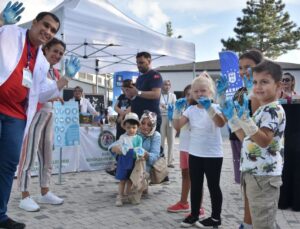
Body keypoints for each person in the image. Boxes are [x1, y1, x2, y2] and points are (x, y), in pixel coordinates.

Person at [0, 2, 80, 228]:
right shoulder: (10, 33)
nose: (48, 32)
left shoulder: (42, 61)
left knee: (7, 165)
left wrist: (65, 78)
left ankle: (0, 215)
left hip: (16, 116)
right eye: (45, 25)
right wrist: (1, 21)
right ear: (34, 23)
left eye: (53, 30)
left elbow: (42, 93)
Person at [223, 60, 285, 229]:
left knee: (263, 223)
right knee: (258, 219)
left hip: (264, 178)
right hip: (251, 173)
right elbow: (248, 140)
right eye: (255, 82)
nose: (258, 87)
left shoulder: (274, 110)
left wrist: (245, 119)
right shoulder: (261, 110)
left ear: (278, 85)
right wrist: (234, 121)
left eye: (264, 82)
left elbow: (264, 141)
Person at [17, 38, 66, 212]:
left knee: (47, 155)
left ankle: (45, 191)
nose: (57, 55)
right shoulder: (36, 67)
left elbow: (56, 92)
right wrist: (52, 96)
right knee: (29, 155)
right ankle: (24, 194)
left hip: (49, 114)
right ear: (45, 49)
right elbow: (31, 92)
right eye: (55, 51)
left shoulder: (56, 73)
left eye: (61, 53)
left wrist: (55, 95)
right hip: (36, 113)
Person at [217, 49, 263, 229]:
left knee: (258, 194)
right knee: (246, 188)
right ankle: (247, 223)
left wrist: (253, 92)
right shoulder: (239, 92)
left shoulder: (265, 91)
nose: (243, 72)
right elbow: (234, 122)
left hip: (262, 150)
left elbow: (260, 125)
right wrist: (220, 99)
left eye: (248, 67)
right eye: (240, 68)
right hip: (243, 143)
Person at [173, 73, 226, 228]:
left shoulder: (215, 107)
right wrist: (176, 112)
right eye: (195, 91)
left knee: (213, 186)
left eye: (203, 90)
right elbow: (177, 126)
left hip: (213, 155)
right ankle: (194, 214)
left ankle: (216, 218)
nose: (199, 94)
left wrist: (209, 108)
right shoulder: (190, 110)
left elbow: (220, 123)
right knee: (196, 185)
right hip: (194, 153)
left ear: (210, 92)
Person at [167, 84, 205, 218]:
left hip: (195, 150)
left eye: (192, 94)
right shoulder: (185, 110)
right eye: (187, 94)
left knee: (197, 179)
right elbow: (177, 127)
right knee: (185, 175)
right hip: (184, 148)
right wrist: (175, 113)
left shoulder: (197, 110)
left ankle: (199, 207)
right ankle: (183, 202)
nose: (189, 97)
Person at [109, 112, 144, 207]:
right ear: (124, 127)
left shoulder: (139, 138)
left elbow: (140, 150)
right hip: (123, 161)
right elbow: (119, 148)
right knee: (122, 180)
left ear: (137, 127)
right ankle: (120, 196)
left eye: (134, 127)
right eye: (128, 127)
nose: (131, 130)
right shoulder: (122, 137)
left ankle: (127, 195)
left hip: (133, 161)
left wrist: (139, 155)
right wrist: (119, 149)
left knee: (130, 180)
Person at [124, 52, 162, 132]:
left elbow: (156, 94)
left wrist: (137, 92)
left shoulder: (155, 75)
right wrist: (129, 93)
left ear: (149, 61)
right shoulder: (140, 78)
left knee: (152, 143)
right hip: (139, 119)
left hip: (150, 120)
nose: (139, 65)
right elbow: (137, 95)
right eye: (137, 63)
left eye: (141, 62)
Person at [159, 80, 176, 167]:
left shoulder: (173, 96)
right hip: (161, 118)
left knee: (171, 140)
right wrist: (166, 107)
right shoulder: (158, 95)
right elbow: (158, 107)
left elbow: (174, 107)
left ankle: (170, 161)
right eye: (165, 84)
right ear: (161, 85)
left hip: (170, 118)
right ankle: (161, 160)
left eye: (169, 85)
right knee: (161, 140)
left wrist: (165, 106)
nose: (167, 86)